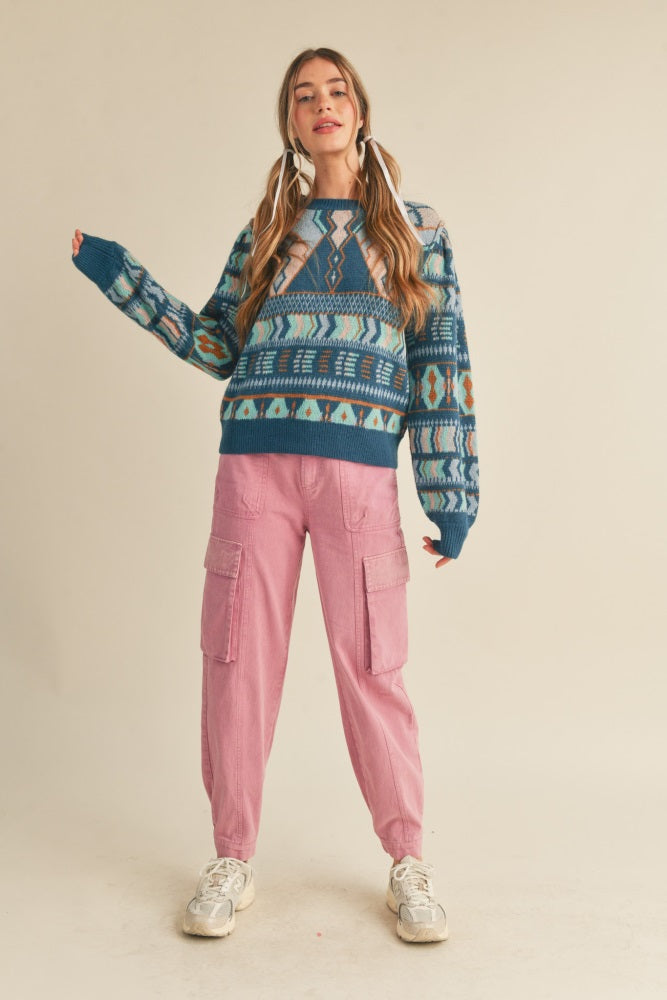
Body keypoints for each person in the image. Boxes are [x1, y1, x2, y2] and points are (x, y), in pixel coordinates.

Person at [71, 46, 479, 945]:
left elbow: (439, 362)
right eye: (304, 96)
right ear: (291, 123)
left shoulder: (418, 231)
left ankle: (407, 858)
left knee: (372, 665)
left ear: (359, 112)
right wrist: (118, 274)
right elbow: (216, 344)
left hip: (357, 476)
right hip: (252, 470)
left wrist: (449, 494)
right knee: (235, 660)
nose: (321, 105)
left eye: (335, 91)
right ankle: (231, 857)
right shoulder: (266, 232)